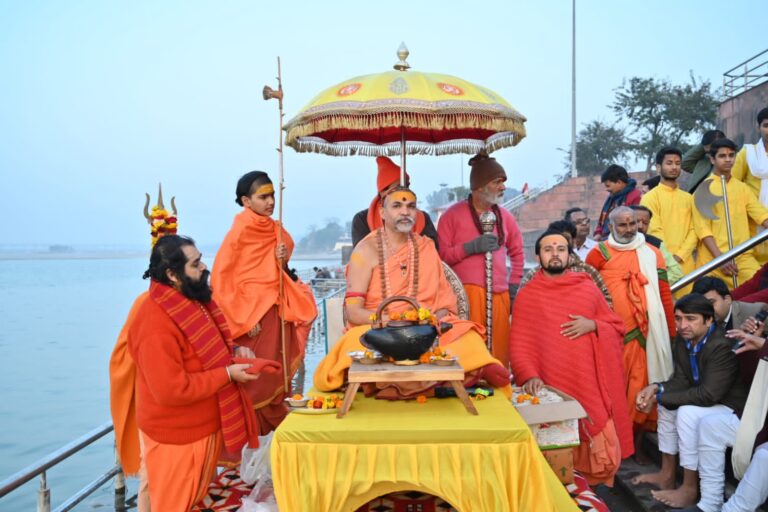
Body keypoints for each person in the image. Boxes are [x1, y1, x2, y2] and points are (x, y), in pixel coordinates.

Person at [315, 185, 512, 398]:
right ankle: (453, 376)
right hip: (380, 331)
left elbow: (445, 304)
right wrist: (392, 320)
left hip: (424, 330)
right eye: (397, 206)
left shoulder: (426, 247)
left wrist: (429, 319)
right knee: (354, 342)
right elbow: (353, 312)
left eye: (411, 206)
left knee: (468, 336)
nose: (405, 212)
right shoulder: (365, 251)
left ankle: (477, 366)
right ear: (383, 212)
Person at [129, 235, 267, 512]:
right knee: (174, 505)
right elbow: (170, 389)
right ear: (172, 274)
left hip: (201, 431)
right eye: (196, 264)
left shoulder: (191, 302)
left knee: (193, 501)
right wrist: (228, 374)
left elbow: (206, 353)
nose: (205, 267)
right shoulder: (155, 321)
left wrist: (236, 351)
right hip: (176, 439)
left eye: (201, 259)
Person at [509, 230, 633, 485]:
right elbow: (520, 343)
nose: (555, 254)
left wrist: (594, 325)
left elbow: (617, 325)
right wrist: (529, 375)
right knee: (556, 435)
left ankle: (591, 491)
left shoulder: (587, 287)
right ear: (538, 256)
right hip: (549, 381)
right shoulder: (528, 295)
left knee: (596, 427)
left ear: (569, 254)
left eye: (561, 249)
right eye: (548, 249)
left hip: (587, 377)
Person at [212, 171, 317, 434]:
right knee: (255, 381)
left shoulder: (274, 228)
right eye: (263, 197)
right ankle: (248, 444)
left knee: (276, 375)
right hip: (250, 319)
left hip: (274, 311)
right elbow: (223, 281)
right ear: (246, 201)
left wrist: (280, 259)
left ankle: (276, 437)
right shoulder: (239, 233)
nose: (270, 201)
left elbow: (274, 271)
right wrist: (244, 321)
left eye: (272, 195)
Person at [632, 294, 748, 509]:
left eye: (691, 318)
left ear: (709, 320)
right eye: (678, 318)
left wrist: (658, 397)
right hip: (712, 403)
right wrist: (657, 388)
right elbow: (681, 380)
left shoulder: (720, 345)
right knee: (669, 406)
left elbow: (708, 394)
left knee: (686, 412)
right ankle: (667, 474)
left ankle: (689, 488)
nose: (682, 325)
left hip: (732, 409)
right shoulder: (684, 340)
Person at [585, 206, 676, 460]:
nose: (629, 229)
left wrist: (670, 332)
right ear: (611, 227)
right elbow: (586, 292)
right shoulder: (598, 253)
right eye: (622, 225)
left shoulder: (653, 254)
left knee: (640, 390)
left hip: (645, 336)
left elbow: (665, 295)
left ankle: (633, 446)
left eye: (633, 223)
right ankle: (612, 446)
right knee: (610, 391)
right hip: (609, 335)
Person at [109, 197, 179, 511]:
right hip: (154, 402)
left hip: (181, 400)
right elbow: (125, 355)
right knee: (153, 475)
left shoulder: (191, 301)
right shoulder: (145, 303)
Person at [437, 152, 524, 369]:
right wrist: (471, 247)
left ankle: (499, 395)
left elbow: (518, 255)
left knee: (499, 355)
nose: (503, 187)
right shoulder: (451, 216)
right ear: (480, 186)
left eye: (503, 182)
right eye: (497, 182)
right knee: (469, 353)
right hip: (466, 296)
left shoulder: (506, 217)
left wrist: (513, 288)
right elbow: (441, 258)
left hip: (500, 295)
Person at [684, 331, 768, 512]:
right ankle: (709, 503)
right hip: (762, 418)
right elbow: (750, 378)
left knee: (764, 456)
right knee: (711, 426)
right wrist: (753, 349)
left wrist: (764, 344)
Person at [692, 139, 768, 289]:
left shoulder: (742, 188)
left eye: (731, 155)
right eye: (722, 156)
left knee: (761, 288)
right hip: (713, 260)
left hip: (742, 256)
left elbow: (760, 214)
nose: (728, 160)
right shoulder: (703, 189)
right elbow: (703, 230)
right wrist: (720, 259)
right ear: (712, 159)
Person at [640, 146, 698, 291]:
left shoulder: (689, 198)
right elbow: (654, 232)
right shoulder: (650, 198)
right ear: (659, 168)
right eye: (669, 163)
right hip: (663, 264)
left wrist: (681, 255)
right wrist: (670, 259)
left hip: (687, 263)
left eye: (678, 163)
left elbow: (694, 230)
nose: (674, 167)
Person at [518, 220, 612, 307]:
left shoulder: (587, 271)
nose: (561, 242)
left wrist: (592, 323)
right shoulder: (535, 274)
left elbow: (606, 302)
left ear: (574, 241)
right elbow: (521, 304)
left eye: (566, 239)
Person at [351, 156, 438, 248]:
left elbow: (433, 252)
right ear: (383, 192)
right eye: (399, 187)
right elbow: (362, 257)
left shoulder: (422, 218)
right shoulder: (362, 220)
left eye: (407, 185)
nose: (404, 190)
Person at [631, 205, 684, 285]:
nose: (640, 226)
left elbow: (676, 272)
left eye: (645, 223)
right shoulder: (609, 244)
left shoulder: (656, 244)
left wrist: (650, 283)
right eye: (636, 221)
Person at [692, 276, 766, 331]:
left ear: (727, 299)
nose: (706, 310)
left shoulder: (756, 312)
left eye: (711, 303)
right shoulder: (699, 323)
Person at [593, 164, 643, 241]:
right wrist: (598, 233)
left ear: (619, 182)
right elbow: (603, 219)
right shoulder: (611, 197)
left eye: (608, 186)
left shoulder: (636, 196)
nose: (606, 189)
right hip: (606, 239)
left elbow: (635, 223)